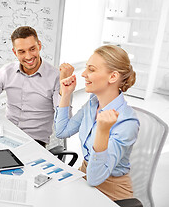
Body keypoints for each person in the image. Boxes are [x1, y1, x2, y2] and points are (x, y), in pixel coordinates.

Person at [55, 45, 139, 201]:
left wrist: (102, 131)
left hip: (112, 192)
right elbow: (62, 131)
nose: (83, 74)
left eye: (91, 70)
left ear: (113, 77)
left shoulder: (127, 122)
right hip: (84, 176)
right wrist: (65, 95)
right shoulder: (92, 103)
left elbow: (96, 178)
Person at [0, 26, 74, 146]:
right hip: (6, 137)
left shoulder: (56, 77)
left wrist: (64, 86)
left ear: (39, 46)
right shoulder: (6, 72)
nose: (29, 56)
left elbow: (65, 123)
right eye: (22, 51)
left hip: (35, 142)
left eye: (32, 49)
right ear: (15, 52)